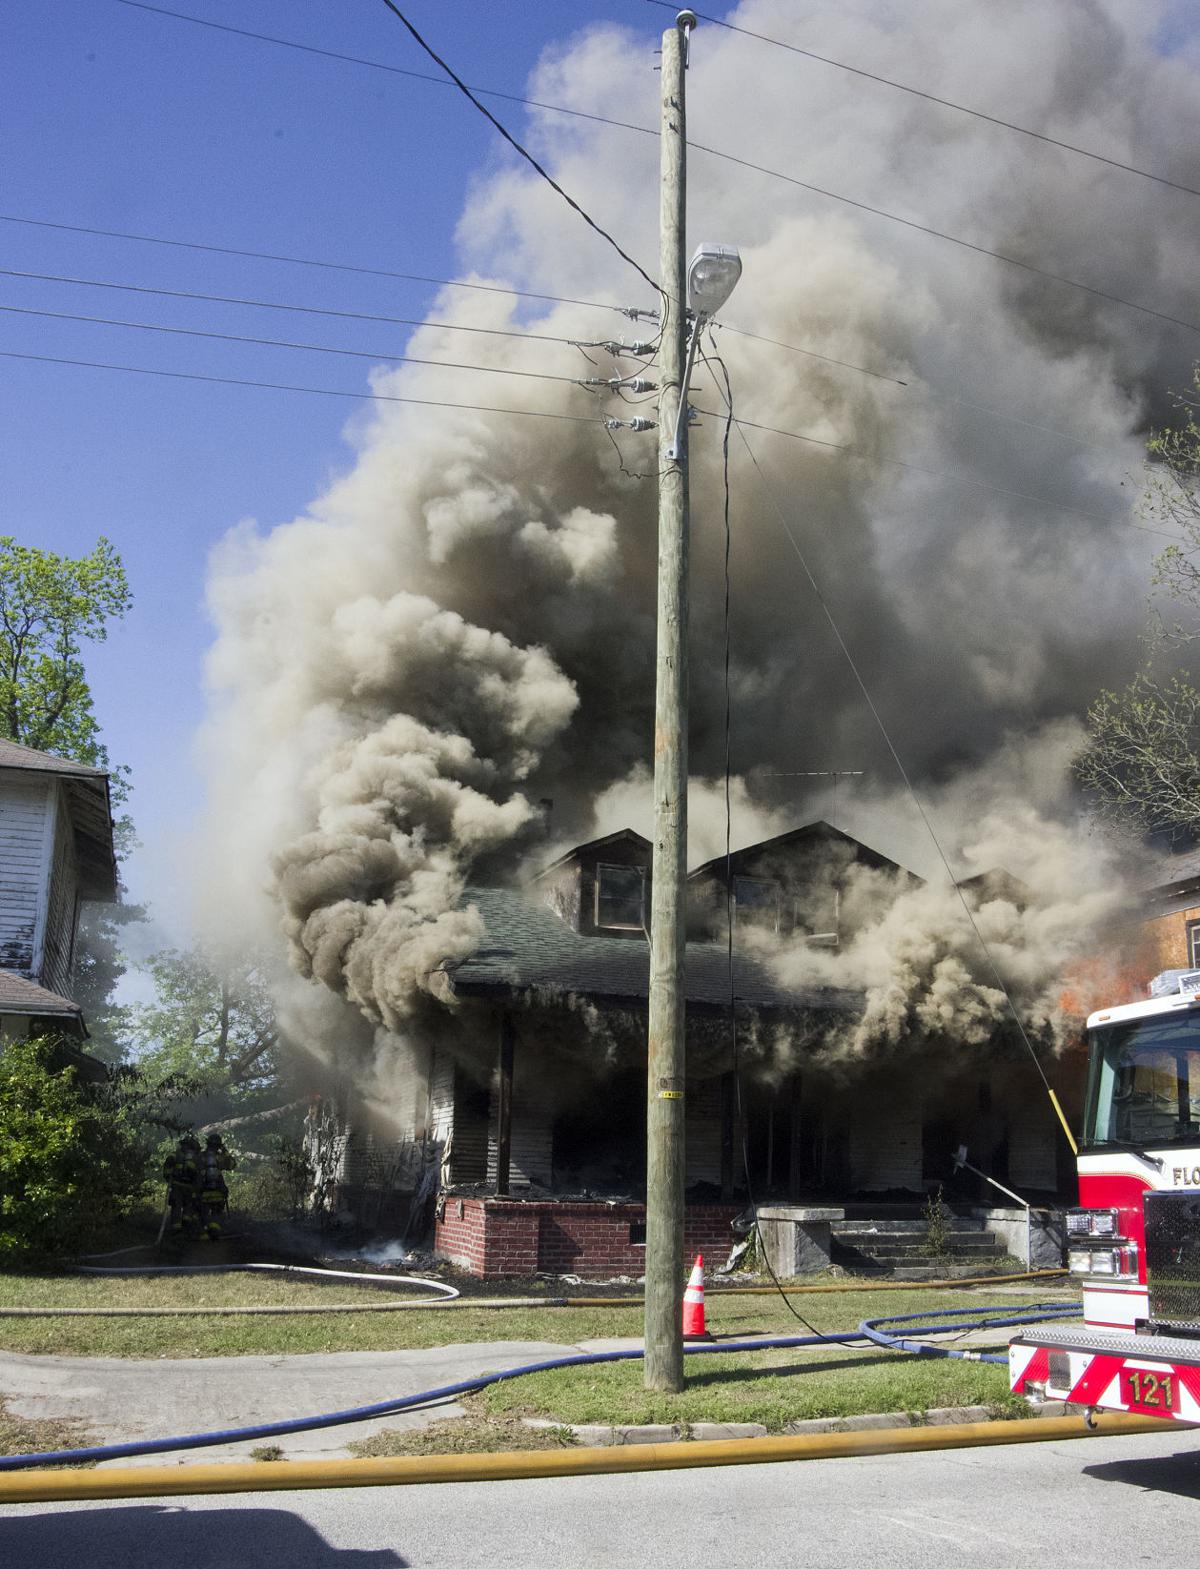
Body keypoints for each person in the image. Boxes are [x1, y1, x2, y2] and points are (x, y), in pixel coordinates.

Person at [198, 1132, 237, 1241]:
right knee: (216, 1213)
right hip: (218, 1191)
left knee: (203, 1213)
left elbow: (193, 1171)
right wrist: (225, 1151)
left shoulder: (201, 1156)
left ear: (207, 1144)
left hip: (203, 1191)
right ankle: (214, 1232)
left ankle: (204, 1233)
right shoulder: (219, 1158)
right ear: (218, 1145)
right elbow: (232, 1164)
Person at [163, 1134, 201, 1236]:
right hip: (189, 1188)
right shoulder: (196, 1158)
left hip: (177, 1186)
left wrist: (169, 1177)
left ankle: (177, 1229)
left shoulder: (174, 1155)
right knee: (188, 1206)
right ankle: (185, 1228)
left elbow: (166, 1169)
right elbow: (199, 1175)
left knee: (176, 1206)